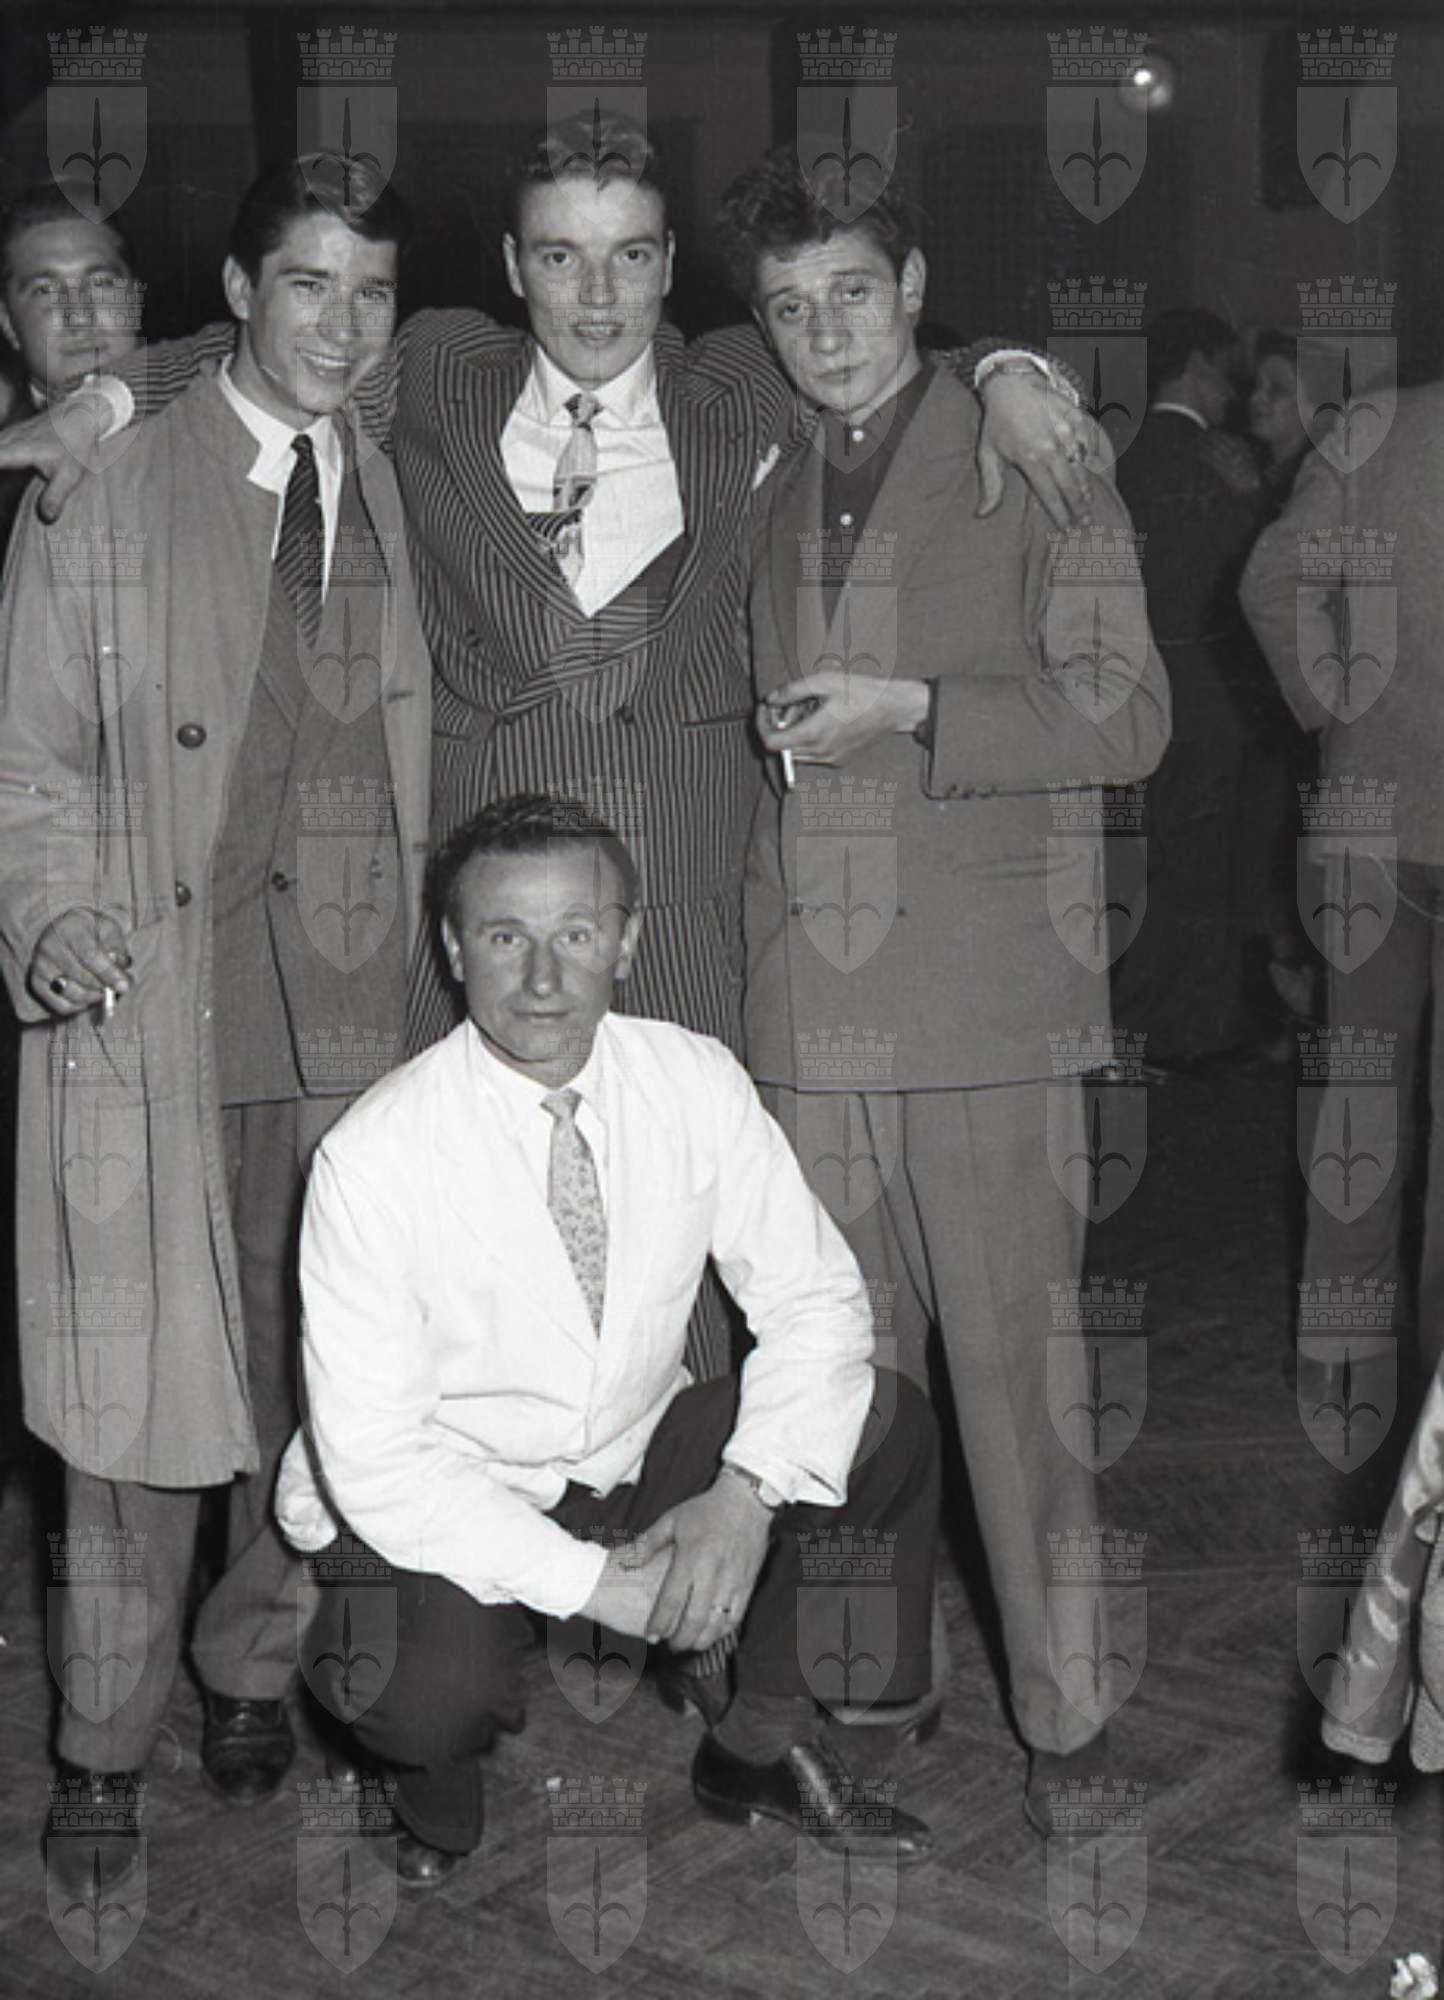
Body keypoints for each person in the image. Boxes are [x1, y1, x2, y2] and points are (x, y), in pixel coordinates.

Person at [0, 116, 1098, 1395]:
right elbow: (259, 348)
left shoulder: (742, 382)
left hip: (684, 911)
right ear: (513, 267)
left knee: (696, 1258)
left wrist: (1006, 368)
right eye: (561, 257)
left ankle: (689, 1508)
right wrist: (107, 397)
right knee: (481, 1261)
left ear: (671, 263)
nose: (597, 296)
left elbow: (878, 350)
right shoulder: (434, 369)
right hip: (479, 918)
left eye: (630, 256)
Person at [713, 147, 1170, 1834]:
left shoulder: (1030, 450)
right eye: (787, 307)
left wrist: (910, 706)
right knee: (845, 1384)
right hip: (805, 1015)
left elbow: (1128, 716)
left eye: (852, 292)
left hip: (982, 1008)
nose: (823, 332)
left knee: (1015, 1392)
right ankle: (868, 1690)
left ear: (913, 291)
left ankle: (1069, 1723)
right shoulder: (766, 459)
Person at [0, 154, 431, 1898]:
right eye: (307, 284)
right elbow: (26, 753)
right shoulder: (112, 480)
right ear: (239, 293)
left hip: (349, 1016)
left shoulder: (379, 471)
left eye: (372, 292)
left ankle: (253, 1659)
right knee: (127, 1388)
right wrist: (44, 911)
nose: (343, 325)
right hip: (158, 1007)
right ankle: (102, 1740)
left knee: (310, 1370)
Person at [274, 793, 941, 1887]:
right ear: (453, 948)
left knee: (882, 1420)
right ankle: (418, 1781)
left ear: (626, 943)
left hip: (634, 1452)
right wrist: (598, 1588)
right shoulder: (372, 1156)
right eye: (506, 937)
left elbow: (817, 1299)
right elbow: (384, 1462)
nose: (544, 978)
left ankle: (756, 1745)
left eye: (576, 934)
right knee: (410, 1686)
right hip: (449, 1490)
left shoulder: (692, 1076)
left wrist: (744, 1496)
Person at [1242, 370, 1444, 1386]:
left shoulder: (1377, 426)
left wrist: (1331, 706)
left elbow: (1270, 579)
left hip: (1371, 812)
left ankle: (1341, 1361)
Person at [1108, 306, 1291, 1071]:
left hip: (1136, 690)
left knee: (1159, 861)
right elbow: (1257, 570)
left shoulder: (1121, 454)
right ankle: (1177, 1030)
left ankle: (1160, 1024)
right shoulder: (1212, 462)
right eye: (1225, 372)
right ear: (1194, 366)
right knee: (1199, 865)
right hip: (1207, 694)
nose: (1235, 393)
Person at [0, 180, 143, 551]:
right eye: (45, 290)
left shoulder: (205, 416)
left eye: (101, 284)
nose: (79, 315)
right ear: (8, 324)